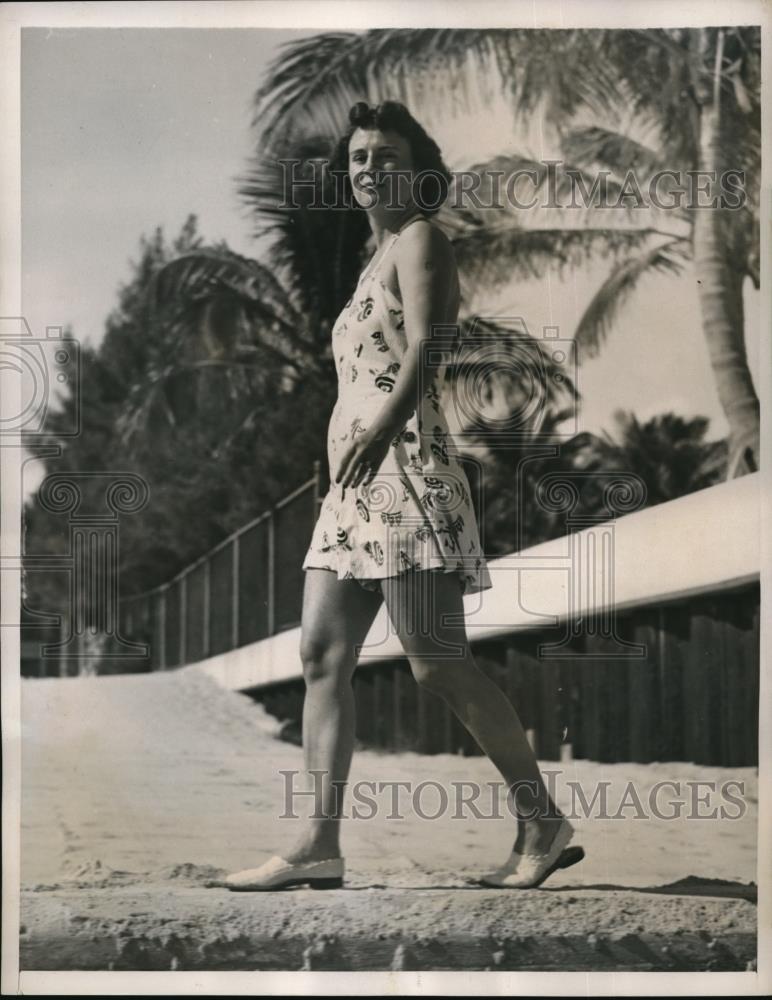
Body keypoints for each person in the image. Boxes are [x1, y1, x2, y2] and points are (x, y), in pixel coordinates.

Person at [224, 101, 582, 892]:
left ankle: (543, 819)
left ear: (419, 168)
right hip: (355, 492)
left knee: (438, 665)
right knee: (321, 656)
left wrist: (380, 435)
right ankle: (319, 845)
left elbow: (432, 345)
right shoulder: (372, 256)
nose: (369, 170)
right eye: (357, 159)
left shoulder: (421, 239)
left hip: (408, 473)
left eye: (385, 156)